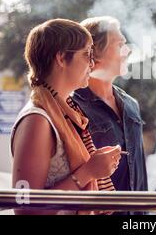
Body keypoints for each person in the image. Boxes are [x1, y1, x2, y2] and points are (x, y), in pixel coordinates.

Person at [11, 19, 121, 215]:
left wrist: (94, 166)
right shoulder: (37, 120)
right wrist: (88, 172)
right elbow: (25, 208)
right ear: (61, 58)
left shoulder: (68, 114)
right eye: (87, 54)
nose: (93, 63)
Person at [73, 16, 148, 211]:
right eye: (121, 44)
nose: (128, 50)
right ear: (94, 53)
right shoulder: (72, 106)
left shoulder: (131, 105)